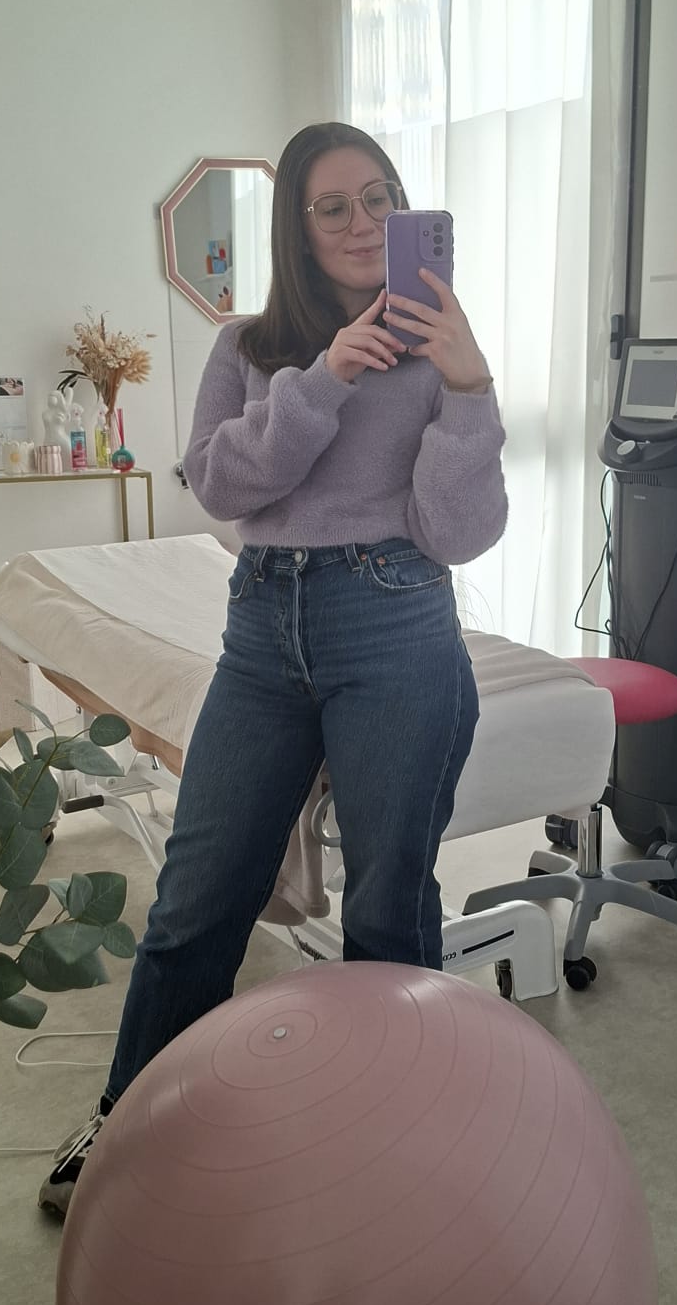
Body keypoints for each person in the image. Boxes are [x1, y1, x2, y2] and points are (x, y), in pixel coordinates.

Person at [40, 121, 507, 1213]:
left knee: (390, 904)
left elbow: (460, 531)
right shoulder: (249, 347)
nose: (361, 222)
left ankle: (393, 1139)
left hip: (395, 618)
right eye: (332, 205)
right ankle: (129, 1122)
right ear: (297, 228)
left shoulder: (441, 345)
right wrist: (325, 376)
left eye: (379, 197)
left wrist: (470, 384)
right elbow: (221, 485)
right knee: (198, 895)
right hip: (261, 625)